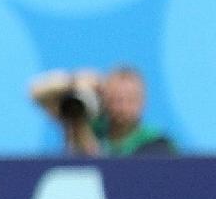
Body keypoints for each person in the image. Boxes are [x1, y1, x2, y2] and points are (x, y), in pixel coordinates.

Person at [29, 66, 177, 156]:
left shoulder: (156, 143)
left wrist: (85, 135)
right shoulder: (91, 125)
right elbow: (36, 93)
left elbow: (112, 175)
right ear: (105, 99)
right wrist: (74, 84)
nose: (123, 108)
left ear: (143, 101)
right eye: (116, 100)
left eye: (130, 100)